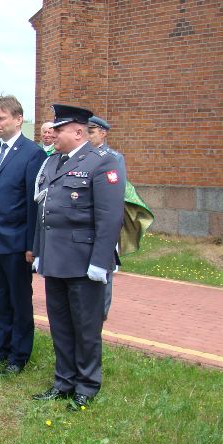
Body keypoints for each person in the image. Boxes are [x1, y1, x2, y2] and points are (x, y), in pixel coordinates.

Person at [30, 104, 124, 411]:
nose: (53, 134)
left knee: (86, 326)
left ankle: (86, 385)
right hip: (55, 258)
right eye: (54, 130)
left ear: (78, 131)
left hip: (84, 260)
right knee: (60, 324)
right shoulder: (53, 163)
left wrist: (100, 263)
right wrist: (40, 252)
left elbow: (109, 218)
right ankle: (64, 380)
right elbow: (43, 212)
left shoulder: (103, 162)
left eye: (60, 129)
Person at [0, 96, 46, 374]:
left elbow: (33, 203)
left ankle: (19, 355)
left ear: (18, 119)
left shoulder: (32, 153)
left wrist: (32, 245)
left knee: (18, 299)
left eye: (1, 118)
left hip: (17, 241)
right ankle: (1, 349)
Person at [88, 115, 127, 321]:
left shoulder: (113, 157)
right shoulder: (83, 155)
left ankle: (101, 311)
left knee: (104, 265)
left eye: (92, 131)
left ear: (103, 133)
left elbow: (115, 193)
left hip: (102, 220)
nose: (88, 135)